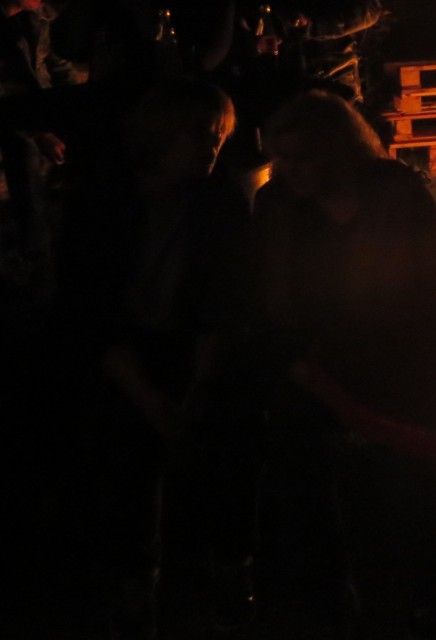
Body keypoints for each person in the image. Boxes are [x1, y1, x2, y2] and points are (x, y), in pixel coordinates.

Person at [54, 76, 259, 639]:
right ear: (162, 133)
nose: (213, 146)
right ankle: (134, 579)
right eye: (201, 133)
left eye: (219, 134)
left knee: (227, 433)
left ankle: (230, 566)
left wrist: (202, 379)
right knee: (126, 448)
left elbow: (226, 299)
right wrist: (145, 395)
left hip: (190, 342)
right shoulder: (103, 201)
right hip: (123, 348)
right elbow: (85, 311)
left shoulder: (218, 199)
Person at [252, 89, 436, 637]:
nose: (292, 170)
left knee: (404, 476)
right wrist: (298, 365)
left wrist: (401, 361)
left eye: (306, 157)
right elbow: (269, 298)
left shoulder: (395, 193)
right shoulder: (278, 206)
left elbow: (433, 286)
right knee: (303, 473)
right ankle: (323, 597)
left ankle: (419, 595)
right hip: (311, 362)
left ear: (340, 151)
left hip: (394, 359)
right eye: (283, 158)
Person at [0, 0, 80, 262]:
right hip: (11, 112)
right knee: (22, 147)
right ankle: (36, 249)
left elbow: (55, 64)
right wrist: (38, 131)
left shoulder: (36, 19)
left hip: (39, 105)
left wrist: (81, 99)